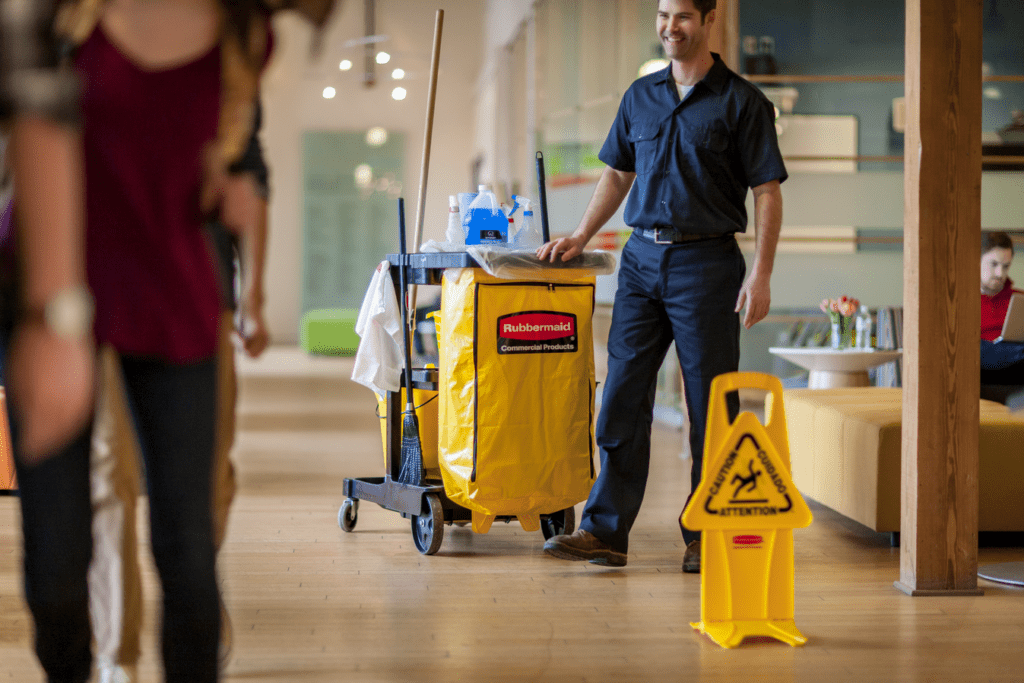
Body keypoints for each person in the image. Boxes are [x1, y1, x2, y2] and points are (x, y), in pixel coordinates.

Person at [0, 2, 333, 681]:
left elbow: (223, 159)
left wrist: (224, 200)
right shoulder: (62, 18)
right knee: (57, 562)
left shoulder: (245, 37)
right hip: (55, 290)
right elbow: (41, 138)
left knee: (187, 548)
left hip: (171, 292)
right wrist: (57, 320)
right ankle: (96, 658)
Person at [539, 0, 786, 573]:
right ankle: (605, 532)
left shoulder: (743, 101)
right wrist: (582, 234)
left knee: (711, 405)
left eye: (681, 17)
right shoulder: (640, 96)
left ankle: (707, 534)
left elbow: (767, 191)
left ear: (709, 20)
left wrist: (762, 273)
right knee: (622, 395)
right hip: (641, 261)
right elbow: (619, 173)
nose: (669, 27)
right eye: (661, 16)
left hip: (708, 266)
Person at [980, 231, 1024, 385]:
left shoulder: (1019, 299)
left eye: (1006, 266)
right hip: (981, 368)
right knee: (977, 348)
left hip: (1015, 368)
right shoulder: (961, 300)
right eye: (994, 264)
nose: (1000, 273)